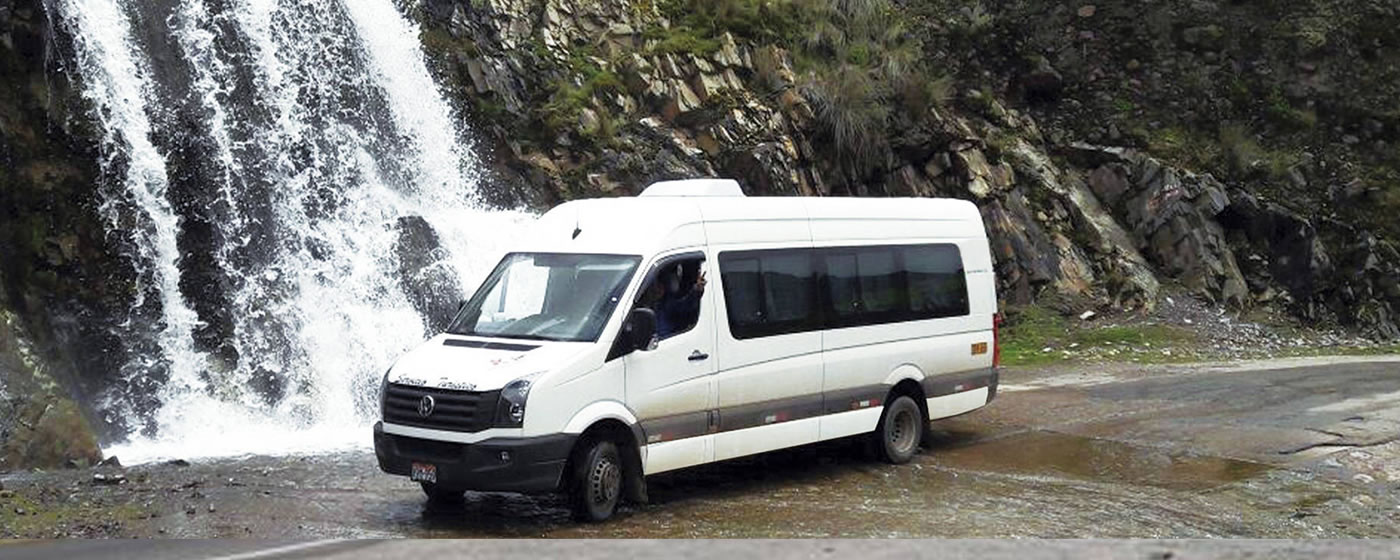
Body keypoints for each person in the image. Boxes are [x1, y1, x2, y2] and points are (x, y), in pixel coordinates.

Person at [645, 264, 707, 339]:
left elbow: (686, 305)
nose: (656, 290)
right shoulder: (643, 304)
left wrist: (696, 289)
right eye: (653, 287)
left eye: (659, 287)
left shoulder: (668, 304)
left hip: (665, 342)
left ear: (664, 287)